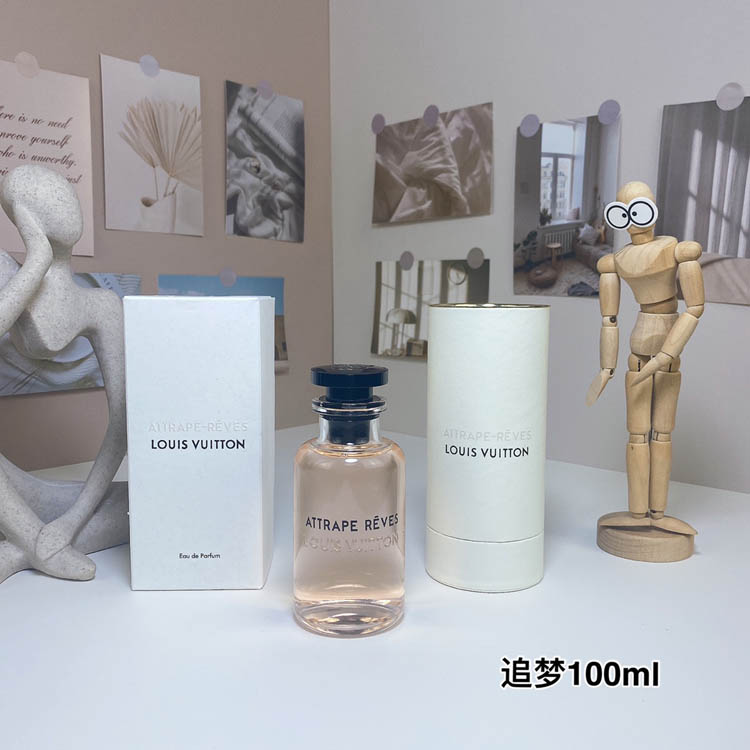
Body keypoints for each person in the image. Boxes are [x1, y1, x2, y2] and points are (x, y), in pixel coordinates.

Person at [0, 165, 126, 580]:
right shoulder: (7, 275)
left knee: (141, 504)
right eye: (42, 194)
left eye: (66, 193)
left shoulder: (102, 305)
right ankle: (35, 542)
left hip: (37, 500)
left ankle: (21, 549)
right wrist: (36, 259)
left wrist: (71, 522)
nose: (65, 202)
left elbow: (122, 424)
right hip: (8, 482)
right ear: (22, 214)